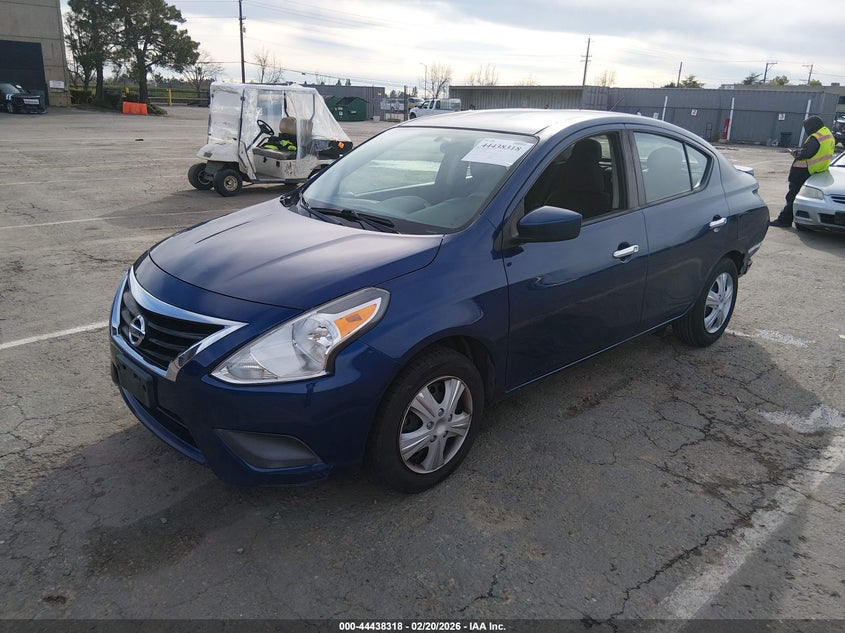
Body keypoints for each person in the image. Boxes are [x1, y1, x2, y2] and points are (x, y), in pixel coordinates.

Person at [770, 115, 835, 227]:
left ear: (813, 126)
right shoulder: (828, 135)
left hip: (804, 171)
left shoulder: (816, 137)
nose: (806, 130)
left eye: (807, 127)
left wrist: (796, 153)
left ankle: (784, 220)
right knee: (802, 198)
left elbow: (806, 154)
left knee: (793, 196)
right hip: (817, 171)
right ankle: (799, 219)